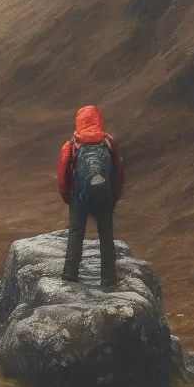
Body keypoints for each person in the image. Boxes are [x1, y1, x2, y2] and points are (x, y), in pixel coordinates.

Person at [56, 104, 125, 288]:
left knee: (76, 233)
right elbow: (119, 173)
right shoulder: (110, 142)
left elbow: (63, 178)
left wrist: (69, 199)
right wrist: (113, 197)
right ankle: (108, 278)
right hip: (104, 195)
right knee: (106, 234)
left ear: (79, 122)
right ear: (99, 120)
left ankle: (70, 273)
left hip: (79, 197)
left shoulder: (70, 145)